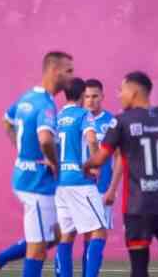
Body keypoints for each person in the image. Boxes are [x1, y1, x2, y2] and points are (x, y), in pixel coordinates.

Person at [84, 72, 158, 277]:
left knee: (139, 267)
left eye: (122, 90)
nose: (119, 95)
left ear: (134, 92)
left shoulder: (122, 122)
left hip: (138, 206)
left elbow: (100, 158)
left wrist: (85, 166)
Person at [0, 51, 74, 277]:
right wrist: (54, 162)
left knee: (54, 236)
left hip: (25, 176)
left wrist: (21, 150)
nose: (72, 76)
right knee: (38, 248)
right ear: (54, 71)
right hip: (37, 184)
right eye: (68, 71)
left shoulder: (28, 97)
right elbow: (45, 139)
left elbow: (6, 119)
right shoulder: (46, 105)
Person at [54, 77, 108, 277]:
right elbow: (92, 138)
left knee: (66, 235)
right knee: (99, 231)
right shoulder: (84, 115)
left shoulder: (57, 117)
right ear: (81, 95)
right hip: (80, 180)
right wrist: (95, 164)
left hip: (60, 183)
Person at [82, 78, 121, 277]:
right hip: (78, 187)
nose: (90, 100)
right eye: (87, 96)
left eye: (95, 96)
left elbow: (119, 157)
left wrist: (112, 188)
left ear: (102, 97)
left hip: (101, 187)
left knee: (96, 235)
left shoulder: (111, 122)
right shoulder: (78, 118)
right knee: (84, 236)